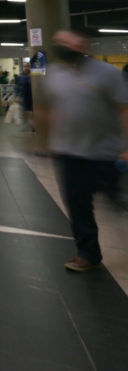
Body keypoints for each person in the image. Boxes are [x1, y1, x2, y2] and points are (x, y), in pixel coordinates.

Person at [37, 30, 128, 272]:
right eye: (59, 42)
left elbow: (124, 110)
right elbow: (52, 108)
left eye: (69, 40)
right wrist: (50, 141)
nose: (64, 45)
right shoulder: (54, 74)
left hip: (105, 153)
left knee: (120, 203)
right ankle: (88, 254)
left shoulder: (108, 73)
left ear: (82, 43)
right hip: (69, 154)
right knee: (78, 207)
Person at [14, 63, 34, 132]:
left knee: (31, 112)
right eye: (25, 67)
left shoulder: (33, 76)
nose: (26, 68)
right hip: (25, 96)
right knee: (27, 112)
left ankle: (32, 126)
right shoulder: (21, 76)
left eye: (27, 67)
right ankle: (31, 125)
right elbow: (17, 87)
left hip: (33, 96)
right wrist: (17, 96)